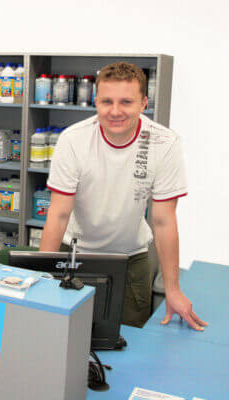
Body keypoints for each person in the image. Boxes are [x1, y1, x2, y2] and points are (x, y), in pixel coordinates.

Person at [40, 62, 207, 331]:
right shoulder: (73, 140)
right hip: (73, 253)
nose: (115, 111)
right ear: (95, 101)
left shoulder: (165, 143)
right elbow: (58, 214)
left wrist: (173, 289)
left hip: (131, 259)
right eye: (107, 101)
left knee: (127, 340)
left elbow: (164, 221)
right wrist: (42, 278)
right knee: (61, 334)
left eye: (126, 102)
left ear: (143, 103)